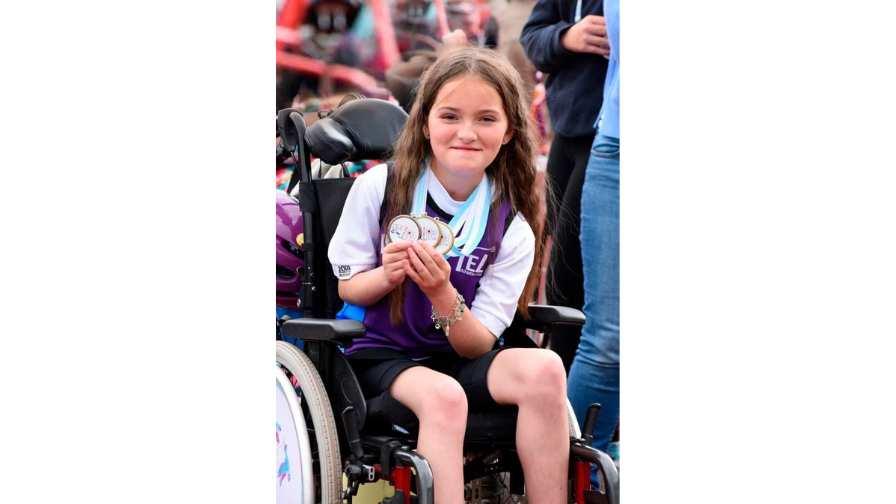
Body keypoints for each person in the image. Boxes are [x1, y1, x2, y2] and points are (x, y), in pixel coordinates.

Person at [328, 47, 569, 502]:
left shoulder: (511, 223)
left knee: (545, 368)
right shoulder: (379, 187)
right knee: (444, 397)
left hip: (461, 355)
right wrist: (388, 275)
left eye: (485, 119)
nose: (466, 133)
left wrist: (442, 293)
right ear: (425, 122)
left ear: (508, 131)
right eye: (450, 116)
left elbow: (477, 342)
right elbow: (348, 286)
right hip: (383, 356)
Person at [520, 0, 610, 370]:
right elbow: (533, 39)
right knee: (560, 267)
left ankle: (570, 381)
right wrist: (566, 36)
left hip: (607, 141)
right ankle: (558, 377)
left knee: (577, 268)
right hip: (567, 132)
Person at [567, 0, 619, 455]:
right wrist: (566, 36)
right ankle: (578, 475)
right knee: (607, 338)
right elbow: (537, 34)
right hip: (615, 149)